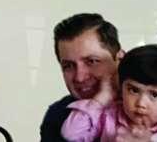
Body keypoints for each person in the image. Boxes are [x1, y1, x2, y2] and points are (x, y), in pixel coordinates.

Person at [61, 44, 157, 142]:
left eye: (155, 95)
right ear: (121, 86)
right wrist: (102, 97)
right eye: (133, 90)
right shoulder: (110, 115)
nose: (141, 103)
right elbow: (71, 134)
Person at [41, 13, 123, 142]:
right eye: (68, 66)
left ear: (120, 59)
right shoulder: (58, 115)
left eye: (92, 61)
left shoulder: (150, 106)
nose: (80, 78)